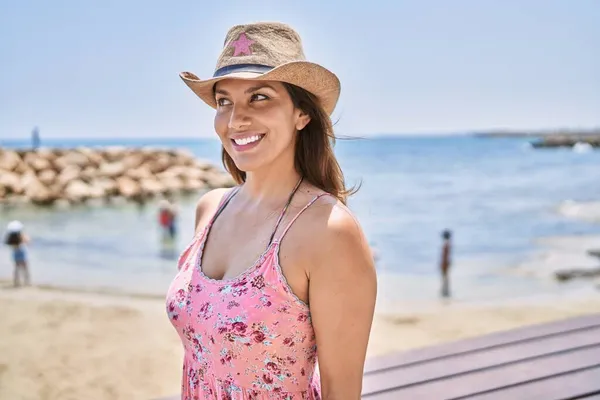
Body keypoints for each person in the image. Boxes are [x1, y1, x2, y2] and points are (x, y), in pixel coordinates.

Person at [166, 22, 377, 399]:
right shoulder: (211, 208)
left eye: (259, 97)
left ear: (302, 114)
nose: (236, 119)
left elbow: (342, 390)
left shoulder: (327, 230)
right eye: (224, 101)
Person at [4, 220, 31, 287]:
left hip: (15, 253)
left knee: (16, 268)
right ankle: (26, 282)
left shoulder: (11, 237)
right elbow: (28, 241)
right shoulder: (21, 235)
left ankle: (16, 282)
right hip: (22, 252)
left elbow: (10, 245)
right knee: (25, 268)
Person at [439, 229, 453, 297]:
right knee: (446, 277)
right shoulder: (448, 244)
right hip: (446, 262)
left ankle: (445, 291)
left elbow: (444, 256)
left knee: (444, 277)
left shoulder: (445, 245)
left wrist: (443, 263)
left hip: (445, 263)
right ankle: (445, 291)